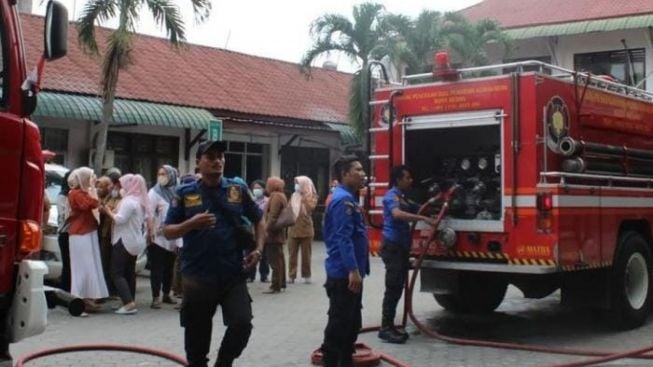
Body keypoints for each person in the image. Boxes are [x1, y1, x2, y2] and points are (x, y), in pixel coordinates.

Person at [163, 140, 265, 367]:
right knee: (197, 340)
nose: (217, 161)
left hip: (232, 273)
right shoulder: (184, 192)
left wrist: (258, 249)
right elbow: (167, 231)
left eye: (220, 156)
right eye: (210, 157)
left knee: (242, 323)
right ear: (198, 162)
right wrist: (191, 223)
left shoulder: (237, 190)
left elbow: (259, 219)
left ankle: (224, 362)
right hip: (197, 276)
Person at [321, 155, 369, 367]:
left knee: (350, 325)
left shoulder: (348, 198)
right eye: (358, 170)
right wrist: (353, 270)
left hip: (350, 273)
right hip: (344, 274)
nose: (363, 174)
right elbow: (343, 237)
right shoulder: (343, 200)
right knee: (339, 326)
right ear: (344, 174)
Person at [378, 165, 435, 344]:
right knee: (393, 287)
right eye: (407, 177)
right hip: (393, 247)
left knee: (397, 288)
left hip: (401, 248)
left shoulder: (402, 197)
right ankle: (385, 328)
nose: (411, 180)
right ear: (398, 180)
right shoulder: (391, 196)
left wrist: (434, 206)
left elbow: (417, 207)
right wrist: (423, 219)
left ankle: (390, 325)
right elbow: (397, 214)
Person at [100, 174, 151, 315]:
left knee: (116, 272)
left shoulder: (129, 202)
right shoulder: (139, 201)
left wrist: (108, 211)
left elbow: (119, 220)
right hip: (134, 240)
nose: (120, 188)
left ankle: (128, 303)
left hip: (124, 240)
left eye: (122, 185)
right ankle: (129, 301)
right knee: (129, 272)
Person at [67, 167, 109, 316]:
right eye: (90, 177)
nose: (93, 180)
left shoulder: (83, 193)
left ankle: (87, 299)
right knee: (81, 269)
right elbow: (90, 204)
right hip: (80, 234)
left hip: (87, 232)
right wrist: (93, 192)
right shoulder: (76, 193)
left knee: (90, 267)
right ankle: (78, 302)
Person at [148, 165, 182, 309]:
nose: (161, 177)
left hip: (174, 236)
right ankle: (156, 297)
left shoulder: (179, 192)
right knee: (157, 267)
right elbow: (149, 214)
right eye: (159, 173)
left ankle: (166, 293)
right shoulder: (154, 193)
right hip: (158, 237)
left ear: (172, 176)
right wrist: (151, 231)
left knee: (169, 267)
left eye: (164, 174)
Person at [287, 176, 318, 284]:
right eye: (296, 183)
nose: (296, 186)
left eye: (298, 183)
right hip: (293, 229)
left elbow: (310, 208)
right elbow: (289, 209)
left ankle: (306, 275)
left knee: (306, 255)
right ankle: (291, 275)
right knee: (292, 254)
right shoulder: (293, 196)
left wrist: (304, 199)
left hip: (306, 230)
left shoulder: (312, 196)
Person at [264, 176, 288, 293]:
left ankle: (275, 284)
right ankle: (281, 282)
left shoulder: (276, 196)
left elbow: (273, 215)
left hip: (273, 234)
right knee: (279, 258)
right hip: (278, 233)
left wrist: (265, 230)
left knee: (274, 260)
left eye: (268, 184)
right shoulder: (281, 195)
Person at [96, 175, 120, 296]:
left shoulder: (118, 197)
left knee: (109, 262)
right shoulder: (105, 197)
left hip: (112, 234)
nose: (99, 189)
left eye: (103, 186)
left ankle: (111, 290)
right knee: (104, 261)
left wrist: (105, 209)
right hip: (104, 233)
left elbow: (111, 211)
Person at [248, 179, 269, 283]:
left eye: (259, 188)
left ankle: (264, 275)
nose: (256, 190)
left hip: (263, 230)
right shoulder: (250, 201)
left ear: (264, 189)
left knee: (264, 254)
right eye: (254, 188)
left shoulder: (267, 201)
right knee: (250, 252)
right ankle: (250, 275)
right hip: (251, 230)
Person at [56, 171, 72, 292]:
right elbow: (64, 215)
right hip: (65, 233)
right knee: (67, 264)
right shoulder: (62, 196)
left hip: (74, 233)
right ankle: (65, 290)